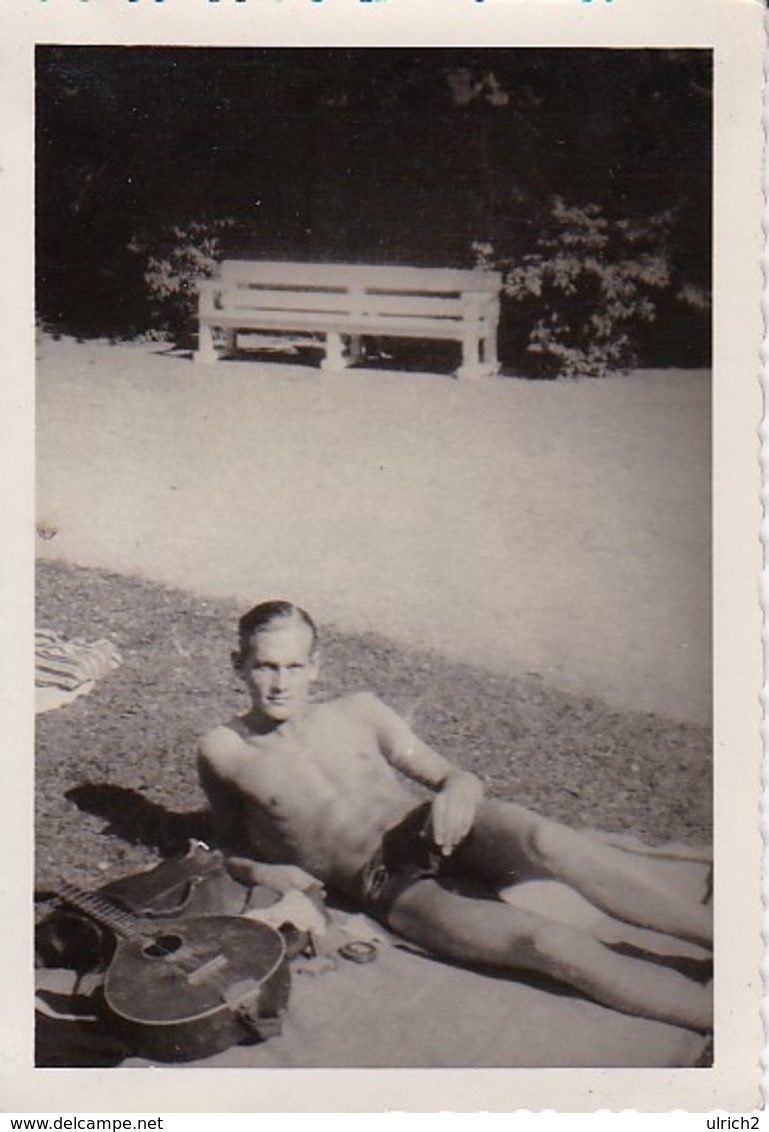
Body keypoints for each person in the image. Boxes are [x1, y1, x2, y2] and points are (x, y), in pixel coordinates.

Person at [197, 600, 712, 1032]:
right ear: (237, 664)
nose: (281, 682)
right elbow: (229, 851)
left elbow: (453, 776)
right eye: (265, 666)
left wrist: (460, 790)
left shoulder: (359, 710)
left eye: (293, 666)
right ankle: (729, 1020)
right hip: (385, 884)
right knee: (546, 943)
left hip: (435, 826)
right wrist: (264, 871)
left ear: (315, 666)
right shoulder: (224, 751)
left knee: (549, 841)